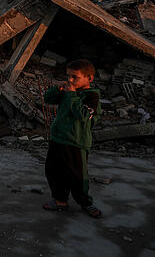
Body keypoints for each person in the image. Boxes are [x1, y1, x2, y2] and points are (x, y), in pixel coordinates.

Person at [42, 59, 102, 218]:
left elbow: (82, 115)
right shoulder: (69, 90)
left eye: (75, 77)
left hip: (76, 142)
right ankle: (60, 200)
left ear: (89, 78)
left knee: (77, 175)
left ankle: (86, 203)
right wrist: (59, 89)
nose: (70, 80)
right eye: (68, 76)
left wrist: (71, 95)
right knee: (54, 171)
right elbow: (48, 99)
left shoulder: (92, 96)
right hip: (58, 139)